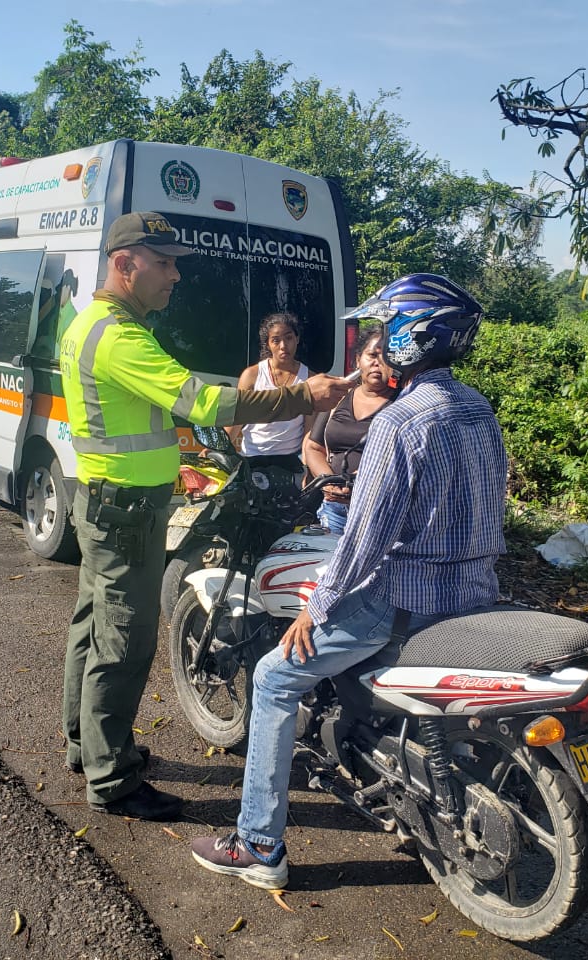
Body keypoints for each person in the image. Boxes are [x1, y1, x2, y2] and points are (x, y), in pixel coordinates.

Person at [189, 273, 508, 887]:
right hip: (473, 593)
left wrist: (319, 607)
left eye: (385, 329)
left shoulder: (400, 422)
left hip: (402, 600)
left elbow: (365, 539)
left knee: (273, 677)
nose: (375, 343)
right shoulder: (477, 408)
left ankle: (259, 846)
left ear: (411, 337)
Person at [57, 211, 351, 822]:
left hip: (104, 501)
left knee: (93, 626)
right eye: (165, 263)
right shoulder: (119, 337)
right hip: (125, 513)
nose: (176, 276)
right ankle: (113, 780)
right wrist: (303, 395)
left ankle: (87, 746)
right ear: (125, 264)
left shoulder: (91, 323)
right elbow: (204, 403)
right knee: (124, 640)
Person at [303, 327, 394, 533]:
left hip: (376, 510)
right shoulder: (339, 397)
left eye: (386, 357)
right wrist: (328, 483)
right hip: (334, 507)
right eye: (372, 355)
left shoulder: (401, 404)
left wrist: (358, 483)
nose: (377, 363)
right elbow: (313, 447)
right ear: (358, 360)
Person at [227, 313, 311, 473]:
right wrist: (216, 449)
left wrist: (307, 469)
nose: (283, 346)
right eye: (276, 340)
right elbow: (236, 420)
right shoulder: (251, 375)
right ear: (268, 344)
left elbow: (309, 432)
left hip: (290, 463)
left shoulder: (309, 379)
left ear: (297, 339)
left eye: (288, 338)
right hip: (252, 460)